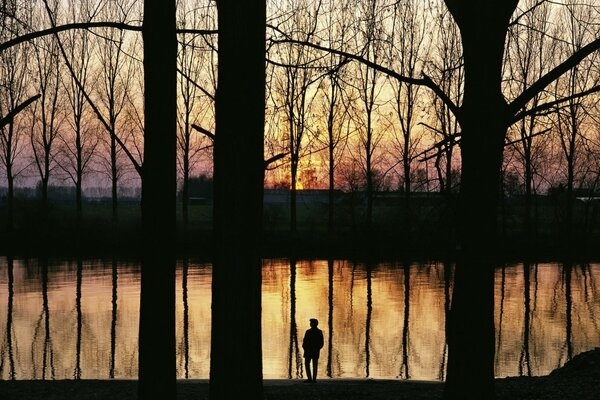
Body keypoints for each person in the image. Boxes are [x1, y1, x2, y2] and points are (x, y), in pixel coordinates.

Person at [302, 318, 324, 383]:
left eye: (311, 323)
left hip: (309, 351)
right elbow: (321, 343)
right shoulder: (319, 332)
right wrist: (317, 348)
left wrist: (305, 348)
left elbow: (305, 341)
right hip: (314, 351)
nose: (310, 324)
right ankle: (313, 379)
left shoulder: (308, 332)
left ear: (313, 324)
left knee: (308, 364)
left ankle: (310, 379)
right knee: (314, 365)